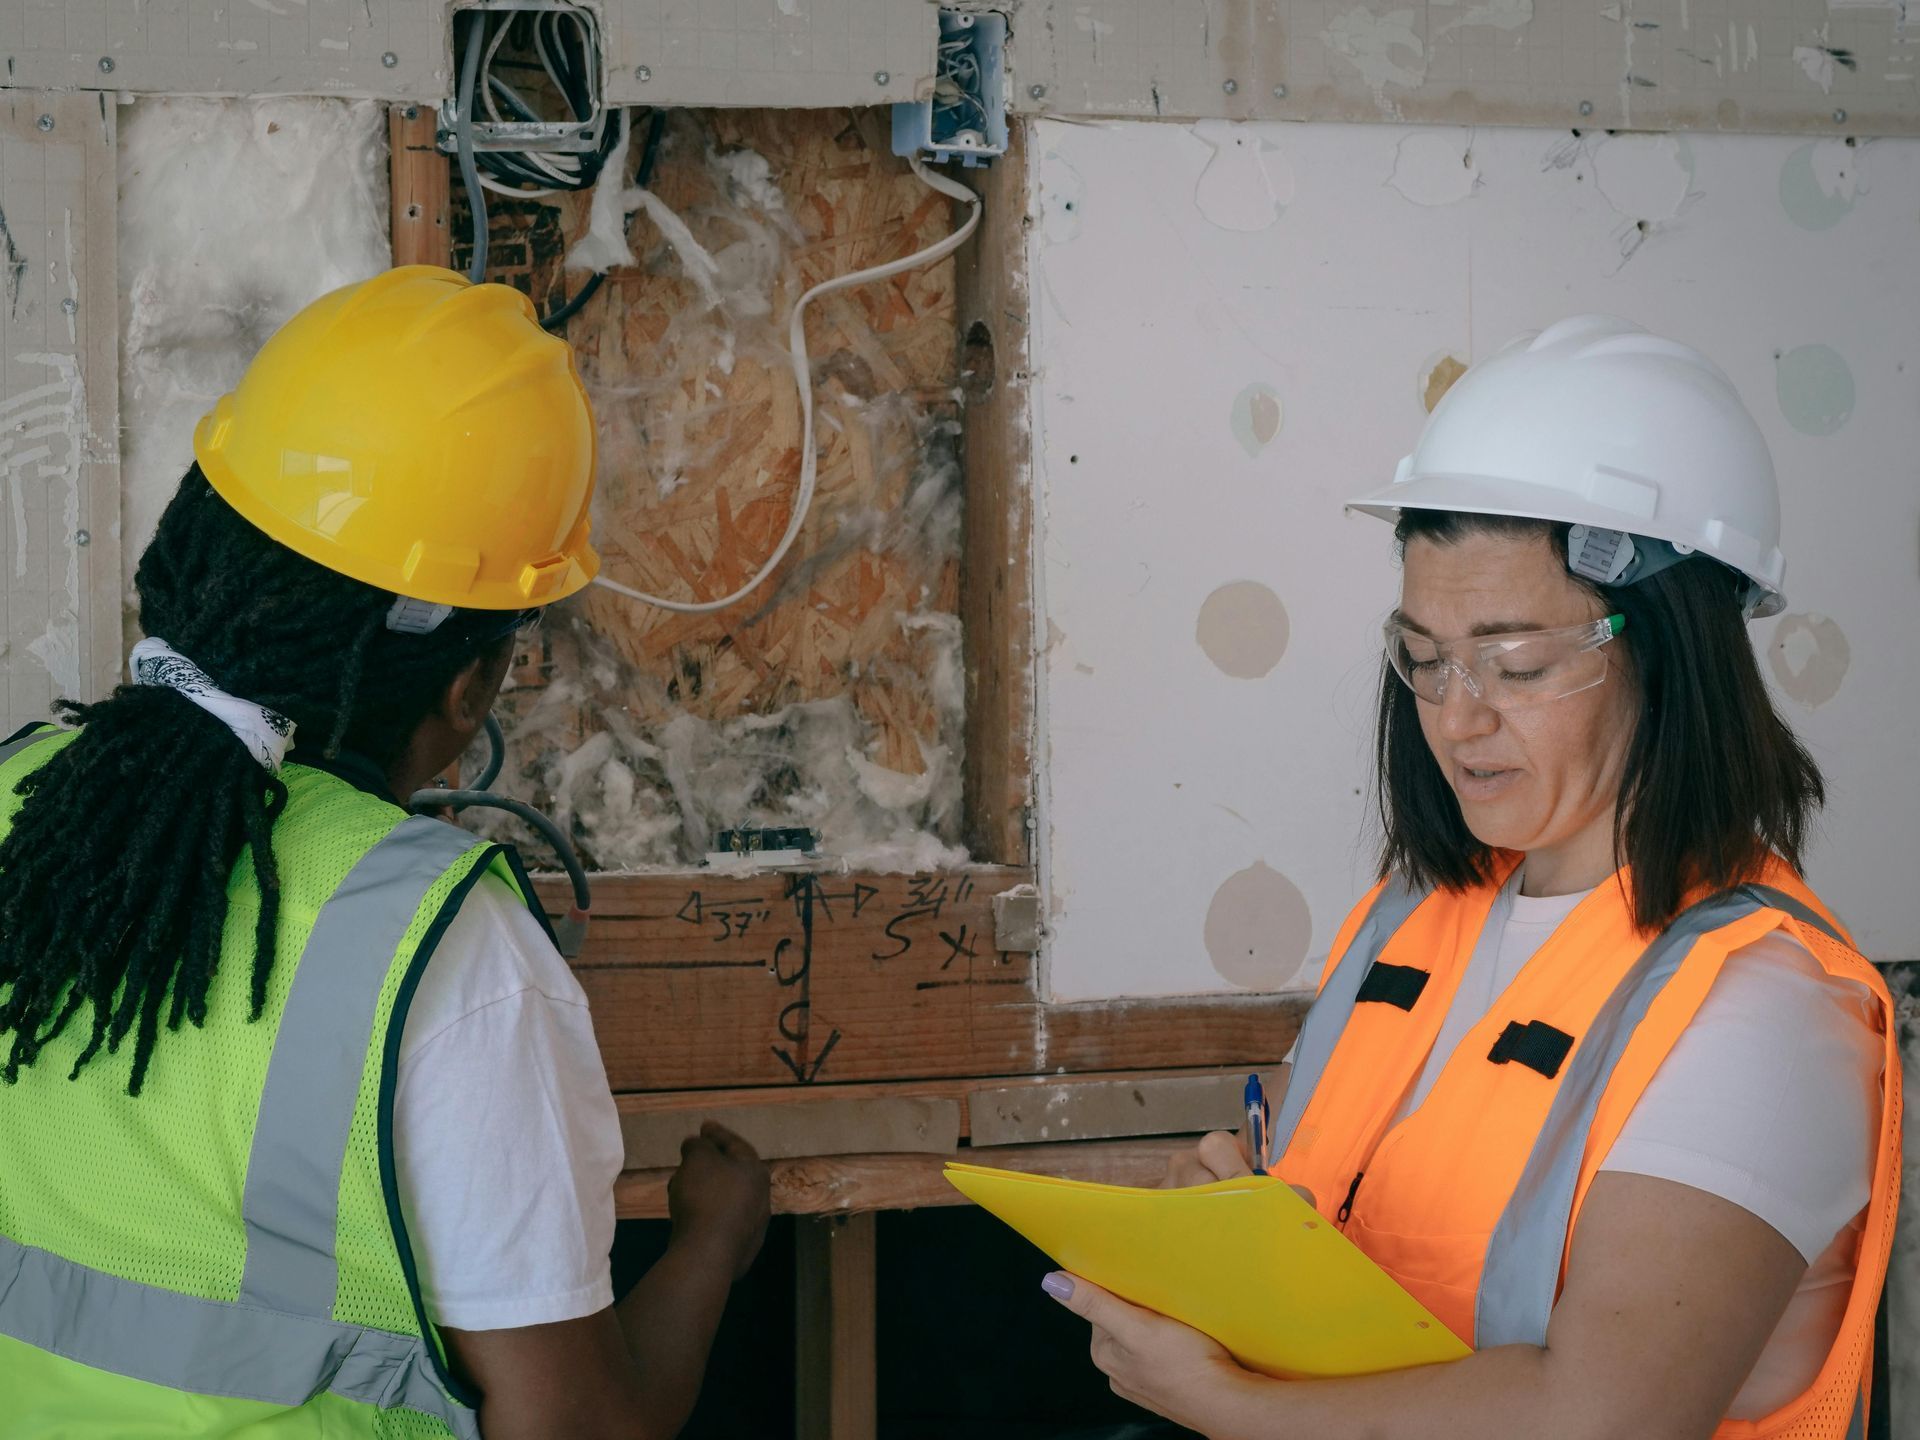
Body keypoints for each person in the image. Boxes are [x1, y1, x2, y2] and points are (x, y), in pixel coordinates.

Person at [1044, 316, 1898, 1440]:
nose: (1457, 716)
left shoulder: (1764, 1012)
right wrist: (1231, 1243)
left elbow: (1604, 1416)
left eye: (1519, 663)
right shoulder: (1411, 921)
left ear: (1675, 653)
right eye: (1427, 658)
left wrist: (1229, 1406)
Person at [0, 266, 770, 1439]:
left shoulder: (16, 798)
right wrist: (714, 1244)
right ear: (469, 691)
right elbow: (582, 1430)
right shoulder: (445, 953)